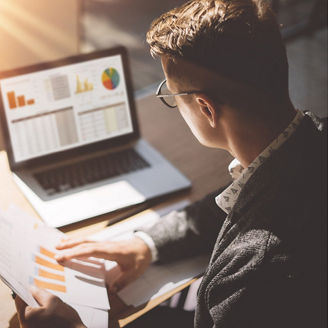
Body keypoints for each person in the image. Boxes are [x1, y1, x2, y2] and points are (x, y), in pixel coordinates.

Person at [15, 0, 327, 327]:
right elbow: (246, 195)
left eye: (172, 96)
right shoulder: (310, 144)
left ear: (206, 109)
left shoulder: (254, 273)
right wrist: (146, 243)